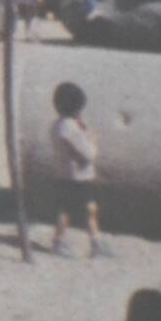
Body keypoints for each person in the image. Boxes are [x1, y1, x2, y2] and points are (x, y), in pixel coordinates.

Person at [49, 81, 111, 258]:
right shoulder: (70, 129)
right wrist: (93, 141)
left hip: (65, 174)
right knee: (71, 210)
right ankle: (59, 242)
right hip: (78, 177)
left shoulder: (58, 125)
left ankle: (95, 241)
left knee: (88, 207)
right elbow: (89, 154)